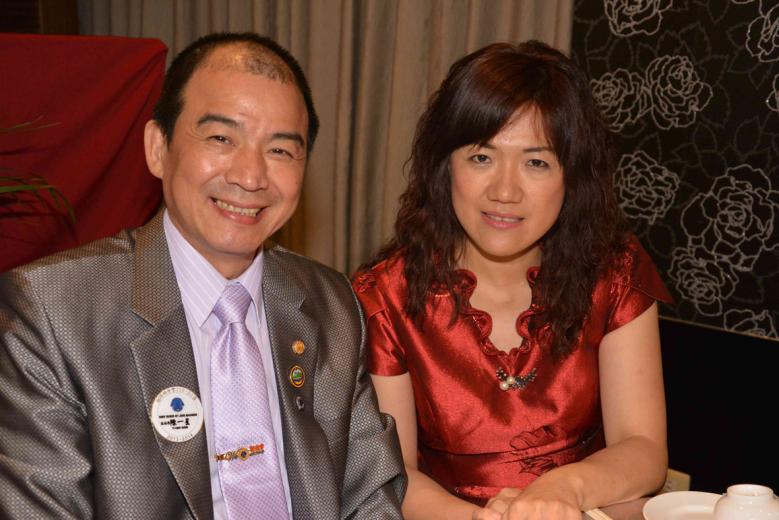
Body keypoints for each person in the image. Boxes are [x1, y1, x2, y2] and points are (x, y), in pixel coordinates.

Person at [0, 32, 405, 519]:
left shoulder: (330, 302)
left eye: (280, 150)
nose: (250, 176)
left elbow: (371, 496)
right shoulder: (53, 310)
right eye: (221, 139)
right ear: (158, 147)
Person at [352, 40, 672, 520]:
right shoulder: (384, 296)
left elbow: (643, 447)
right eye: (482, 157)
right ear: (445, 166)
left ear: (571, 177)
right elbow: (395, 473)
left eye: (536, 162)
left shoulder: (614, 273)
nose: (504, 191)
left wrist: (563, 488)